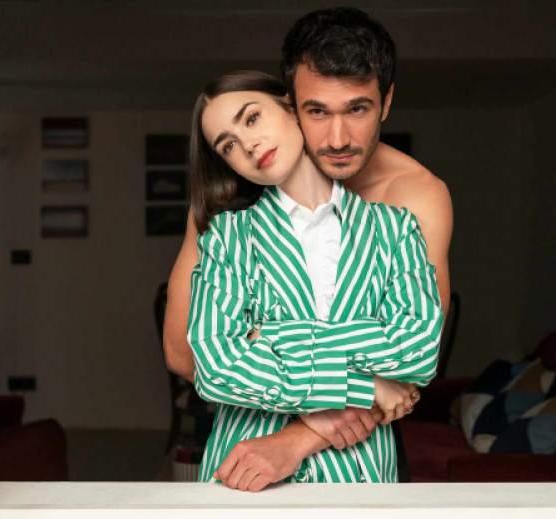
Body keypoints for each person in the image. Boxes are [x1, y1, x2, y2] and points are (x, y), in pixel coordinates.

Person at [163, 7, 453, 489]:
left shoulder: (412, 199)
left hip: (358, 458)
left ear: (385, 102)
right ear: (293, 105)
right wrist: (357, 380)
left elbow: (411, 361)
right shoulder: (230, 210)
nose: (338, 139)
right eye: (317, 111)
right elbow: (189, 354)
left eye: (358, 109)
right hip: (250, 457)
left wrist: (296, 427)